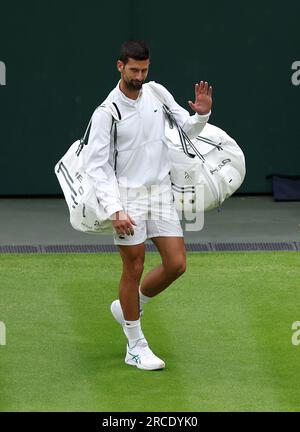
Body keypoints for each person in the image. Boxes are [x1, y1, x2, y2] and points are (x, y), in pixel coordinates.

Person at [83, 40, 213, 371]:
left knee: (176, 264)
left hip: (161, 193)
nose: (139, 76)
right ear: (119, 67)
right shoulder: (106, 113)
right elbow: (97, 166)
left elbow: (186, 128)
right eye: (133, 70)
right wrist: (116, 210)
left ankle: (130, 306)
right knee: (134, 266)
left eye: (144, 69)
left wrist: (202, 114)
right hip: (128, 197)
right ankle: (135, 345)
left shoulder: (156, 92)